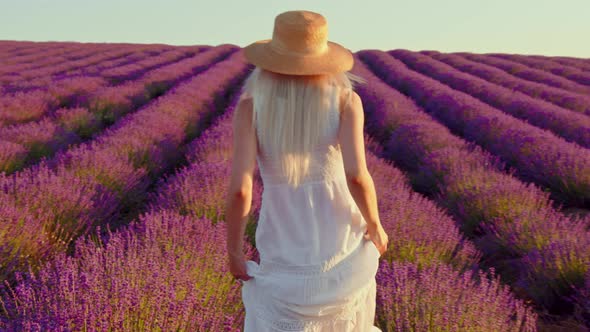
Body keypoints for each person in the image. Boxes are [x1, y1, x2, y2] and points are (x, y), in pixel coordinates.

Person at [225, 10, 388, 332]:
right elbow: (356, 176)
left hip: (283, 237)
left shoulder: (251, 106)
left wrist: (233, 251)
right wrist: (375, 224)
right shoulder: (345, 101)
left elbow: (241, 188)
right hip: (338, 238)